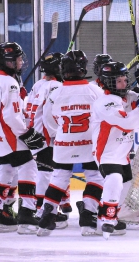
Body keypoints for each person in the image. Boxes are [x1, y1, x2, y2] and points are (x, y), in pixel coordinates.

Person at [0, 42, 44, 234]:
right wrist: (26, 133)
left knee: (5, 168)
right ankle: (27, 213)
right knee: (29, 166)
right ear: (8, 62)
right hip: (10, 136)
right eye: (18, 59)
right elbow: (11, 116)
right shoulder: (10, 83)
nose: (21, 62)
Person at [38, 50, 104, 236]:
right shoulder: (95, 90)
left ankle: (46, 218)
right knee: (95, 177)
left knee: (59, 177)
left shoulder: (55, 92)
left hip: (63, 143)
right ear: (83, 69)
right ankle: (88, 217)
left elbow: (48, 120)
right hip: (88, 144)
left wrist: (58, 134)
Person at [92, 63, 139, 239]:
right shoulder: (104, 102)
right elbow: (128, 122)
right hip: (106, 152)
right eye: (118, 81)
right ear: (108, 83)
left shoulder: (128, 96)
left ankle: (108, 216)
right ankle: (106, 219)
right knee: (115, 179)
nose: (123, 84)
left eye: (125, 80)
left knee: (125, 184)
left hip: (123, 154)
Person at [25, 52, 69, 228]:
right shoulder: (57, 86)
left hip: (32, 132)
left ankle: (42, 207)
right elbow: (51, 113)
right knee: (46, 172)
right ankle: (41, 210)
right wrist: (56, 135)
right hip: (45, 134)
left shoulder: (38, 84)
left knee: (43, 171)